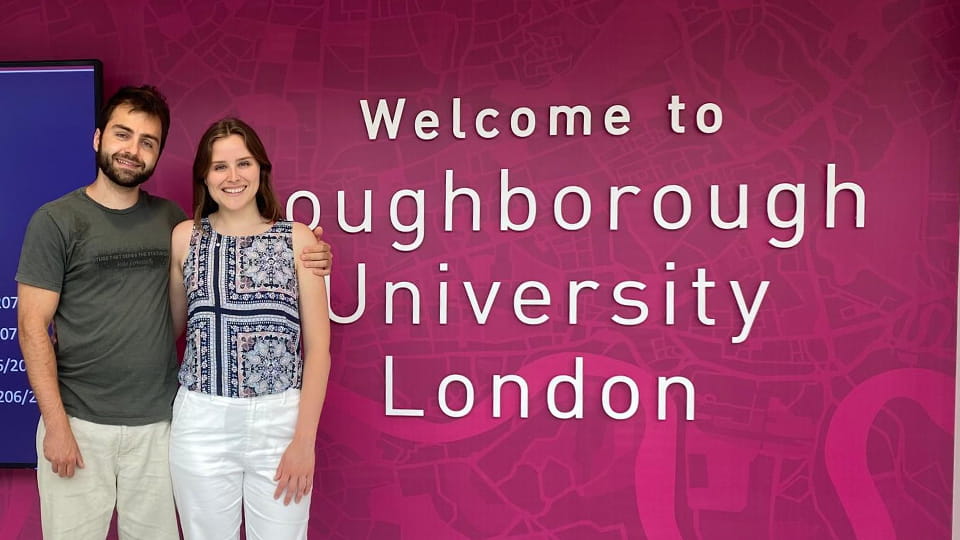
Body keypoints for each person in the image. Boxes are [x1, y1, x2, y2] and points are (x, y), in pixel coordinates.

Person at [15, 86, 332, 540]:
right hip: (94, 422)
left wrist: (317, 258)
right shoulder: (71, 222)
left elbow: (205, 304)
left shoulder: (172, 222)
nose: (133, 149)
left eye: (148, 141)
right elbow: (31, 328)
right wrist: (57, 427)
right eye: (123, 135)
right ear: (98, 138)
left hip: (164, 423)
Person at [167, 117, 331, 539]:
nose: (233, 176)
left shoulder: (299, 240)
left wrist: (303, 442)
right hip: (201, 418)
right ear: (204, 176)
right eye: (219, 166)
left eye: (244, 163)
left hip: (280, 419)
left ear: (261, 168)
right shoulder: (185, 238)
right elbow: (171, 328)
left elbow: (319, 350)